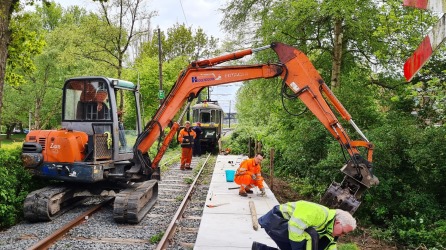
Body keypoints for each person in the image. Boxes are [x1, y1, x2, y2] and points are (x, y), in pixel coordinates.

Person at [252, 200, 357, 250]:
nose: (342, 235)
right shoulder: (319, 213)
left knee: (318, 240)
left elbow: (330, 245)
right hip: (276, 221)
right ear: (338, 223)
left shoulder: (331, 228)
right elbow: (294, 226)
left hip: (285, 226)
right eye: (343, 232)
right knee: (311, 236)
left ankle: (259, 248)